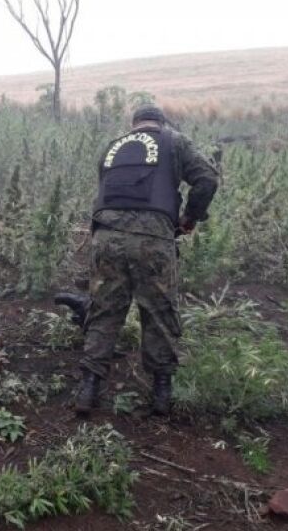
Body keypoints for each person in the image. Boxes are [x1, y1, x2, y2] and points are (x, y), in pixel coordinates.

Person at [76, 104, 218, 416]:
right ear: (161, 124)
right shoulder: (174, 141)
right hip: (153, 239)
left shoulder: (113, 146)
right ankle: (161, 394)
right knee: (159, 312)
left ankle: (88, 389)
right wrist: (190, 218)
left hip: (106, 237)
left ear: (134, 125)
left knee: (104, 310)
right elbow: (207, 178)